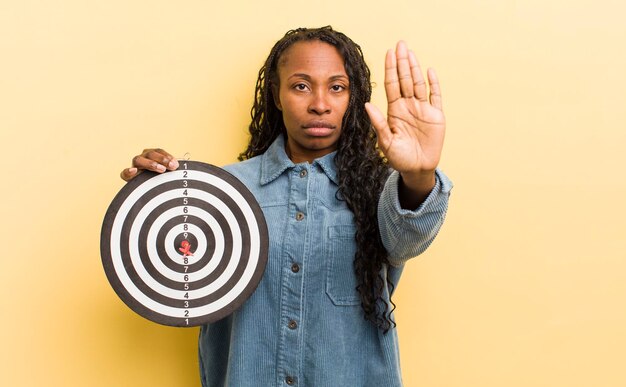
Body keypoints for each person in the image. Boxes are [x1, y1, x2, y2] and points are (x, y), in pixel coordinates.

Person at [121, 26, 452, 387]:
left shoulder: (384, 188)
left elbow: (408, 239)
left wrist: (419, 175)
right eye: (301, 86)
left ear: (351, 98)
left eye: (337, 87)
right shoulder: (219, 192)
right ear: (276, 95)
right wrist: (150, 200)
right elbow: (168, 274)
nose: (320, 103)